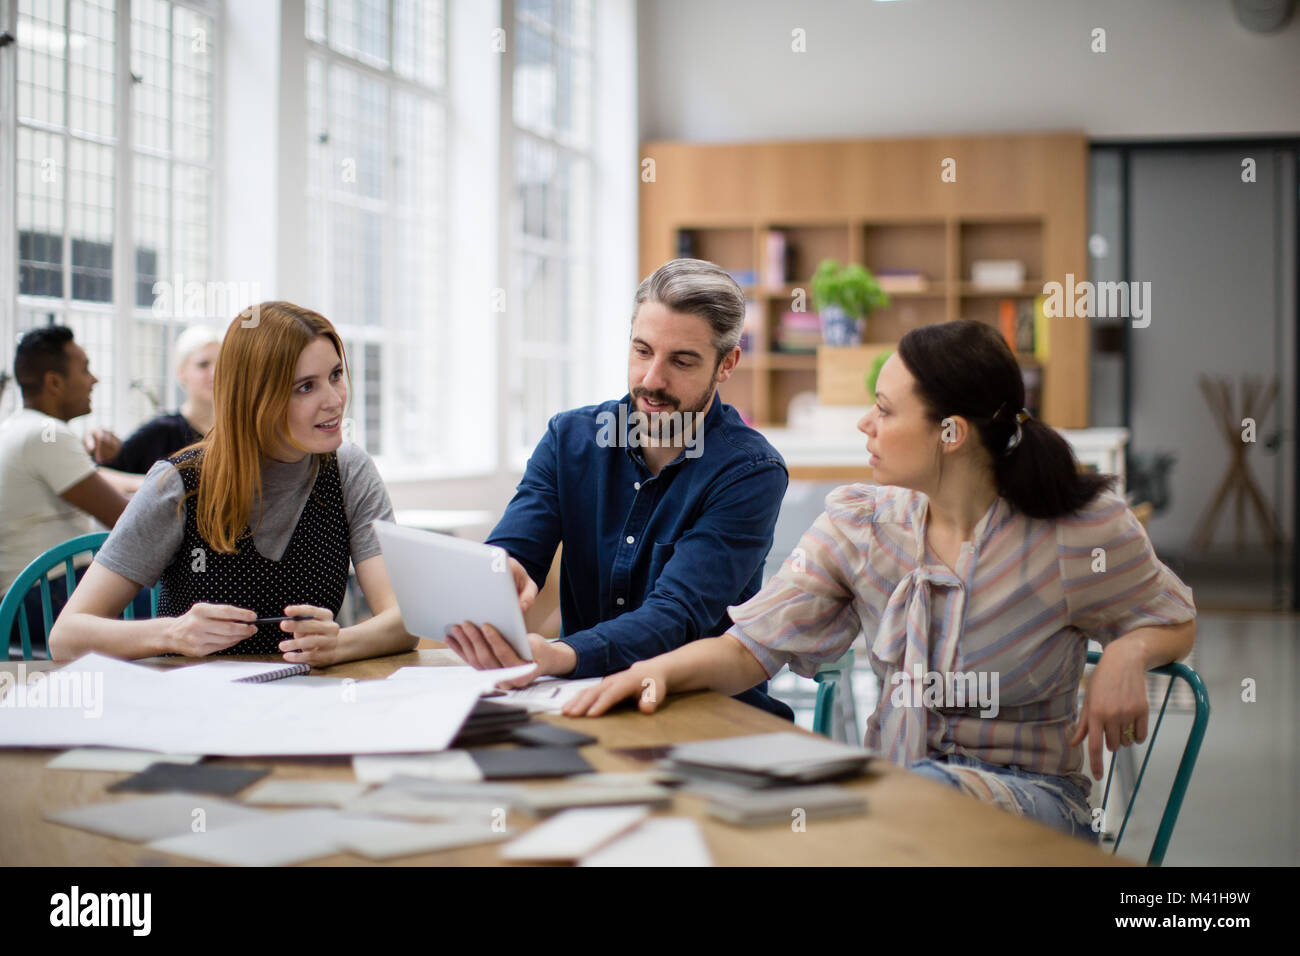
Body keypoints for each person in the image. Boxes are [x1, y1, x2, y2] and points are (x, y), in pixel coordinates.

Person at [561, 319, 1197, 841]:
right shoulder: (862, 525)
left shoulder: (1075, 529)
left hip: (1035, 808)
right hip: (900, 801)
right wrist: (657, 672)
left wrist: (1128, 650)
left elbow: (1172, 616)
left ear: (952, 433)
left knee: (902, 803)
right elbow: (748, 648)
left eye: (886, 410)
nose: (865, 424)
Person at [444, 258, 794, 719]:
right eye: (642, 351)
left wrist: (562, 655)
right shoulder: (570, 439)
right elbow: (515, 550)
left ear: (727, 363)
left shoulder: (750, 471)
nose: (651, 380)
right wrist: (501, 575)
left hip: (704, 710)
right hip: (576, 699)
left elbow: (676, 614)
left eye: (681, 361)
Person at [49, 302, 415, 666]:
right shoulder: (178, 483)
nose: (335, 401)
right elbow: (66, 638)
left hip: (306, 704)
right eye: (306, 387)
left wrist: (340, 644)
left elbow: (403, 621)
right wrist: (172, 632)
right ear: (254, 396)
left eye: (335, 375)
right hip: (198, 711)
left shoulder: (348, 470)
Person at [1, 326, 133, 656]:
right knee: (184, 599)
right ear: (54, 382)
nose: (94, 380)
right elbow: (129, 523)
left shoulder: (19, 428)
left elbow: (104, 482)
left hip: (21, 601)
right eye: (85, 369)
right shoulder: (48, 435)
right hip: (44, 598)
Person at [107, 324, 220, 474]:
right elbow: (99, 473)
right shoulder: (160, 431)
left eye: (222, 364)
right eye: (203, 365)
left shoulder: (238, 433)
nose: (215, 373)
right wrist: (156, 486)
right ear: (181, 372)